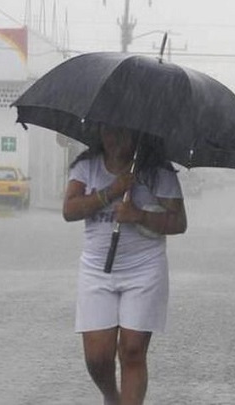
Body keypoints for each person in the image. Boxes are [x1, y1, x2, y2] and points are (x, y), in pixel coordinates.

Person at [62, 123, 188, 405]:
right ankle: (112, 396)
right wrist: (111, 191)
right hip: (97, 269)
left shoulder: (158, 171)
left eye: (122, 132)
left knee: (132, 351)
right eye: (107, 130)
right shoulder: (87, 166)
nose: (113, 138)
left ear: (138, 134)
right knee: (97, 357)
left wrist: (139, 215)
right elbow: (69, 210)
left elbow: (179, 222)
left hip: (144, 269)